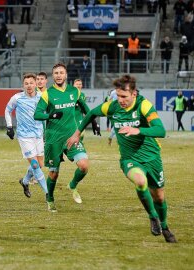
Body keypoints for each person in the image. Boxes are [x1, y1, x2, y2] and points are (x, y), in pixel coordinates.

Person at [66, 74, 177, 243]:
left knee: (159, 197)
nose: (120, 100)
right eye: (118, 96)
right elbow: (92, 113)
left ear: (134, 94)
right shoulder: (112, 107)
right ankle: (153, 217)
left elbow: (160, 130)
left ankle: (165, 225)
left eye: (124, 96)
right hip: (129, 158)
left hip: (152, 157)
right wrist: (76, 134)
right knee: (140, 182)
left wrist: (139, 130)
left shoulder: (144, 106)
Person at [33, 63, 100, 212]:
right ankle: (50, 198)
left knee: (83, 166)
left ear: (66, 75)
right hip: (53, 139)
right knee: (54, 173)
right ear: (53, 76)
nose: (58, 75)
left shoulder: (74, 91)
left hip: (72, 137)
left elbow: (85, 109)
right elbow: (37, 114)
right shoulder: (47, 94)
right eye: (55, 73)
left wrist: (94, 122)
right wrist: (49, 115)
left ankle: (72, 185)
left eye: (61, 72)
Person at [5, 73, 48, 199]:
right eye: (26, 83)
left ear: (36, 84)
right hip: (24, 136)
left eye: (31, 83)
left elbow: (48, 113)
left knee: (40, 164)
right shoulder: (17, 98)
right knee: (35, 165)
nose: (29, 85)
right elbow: (7, 110)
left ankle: (24, 181)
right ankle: (47, 193)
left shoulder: (42, 97)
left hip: (38, 135)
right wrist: (9, 126)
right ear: (23, 85)